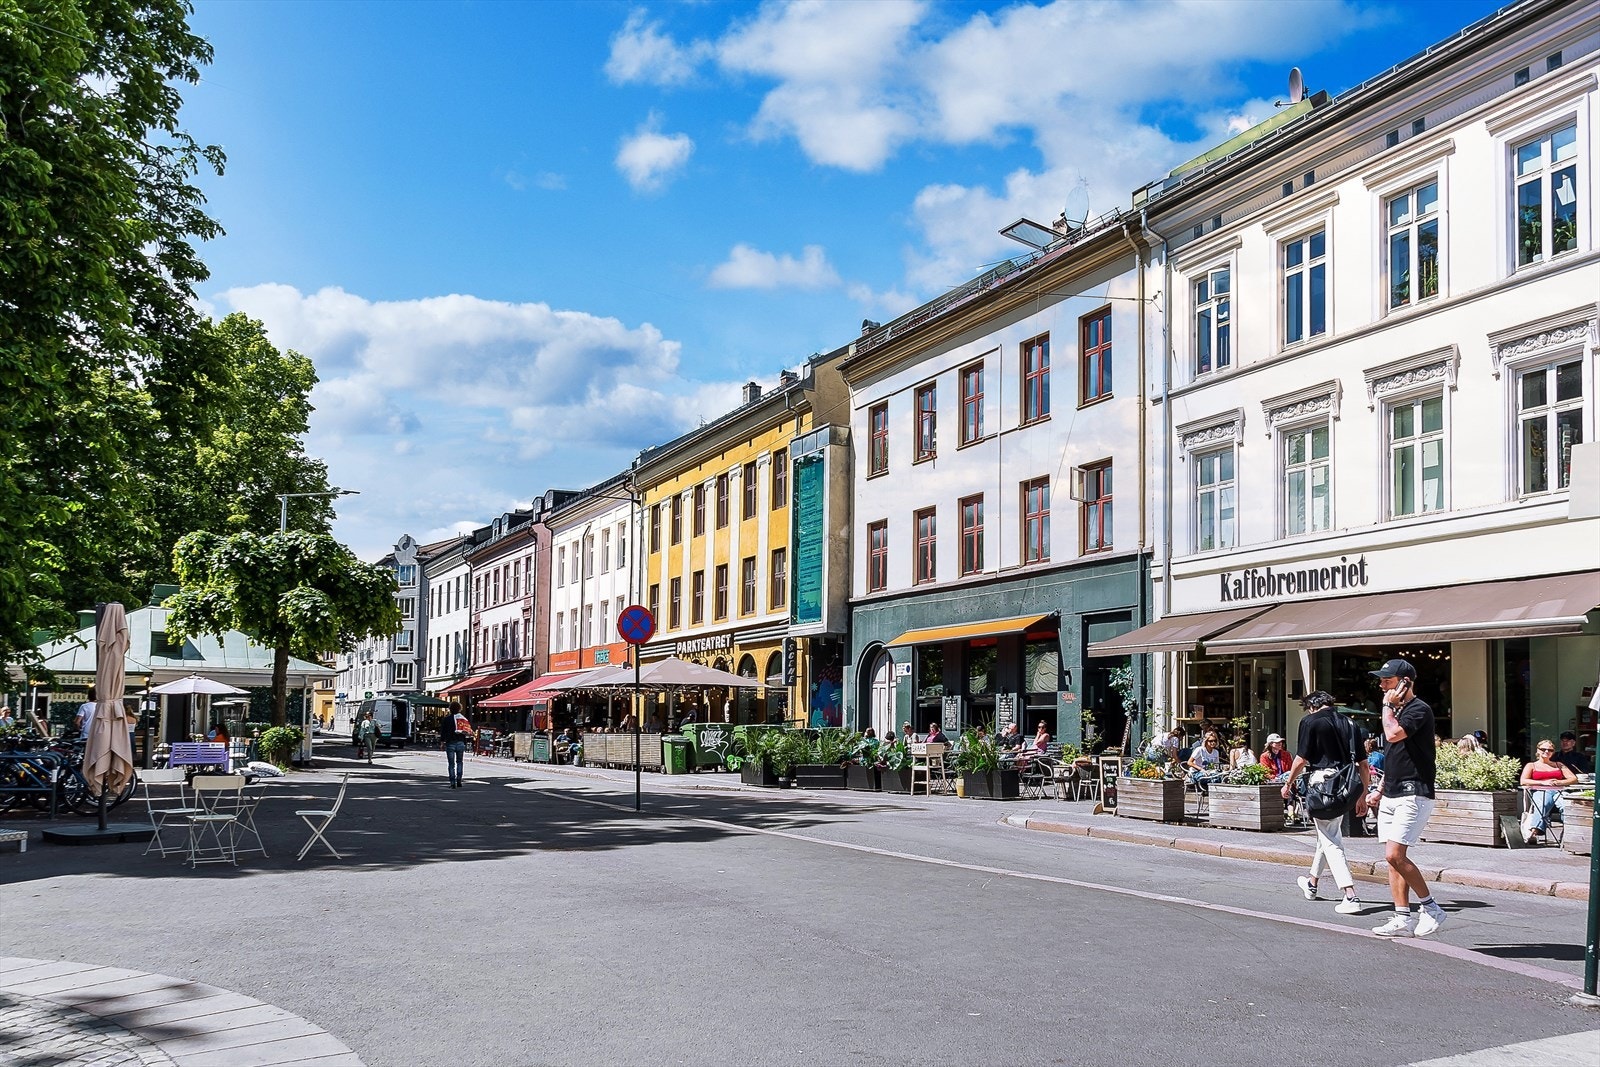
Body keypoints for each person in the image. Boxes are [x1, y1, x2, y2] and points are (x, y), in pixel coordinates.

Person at [1367, 658, 1447, 938]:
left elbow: (1393, 735)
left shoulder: (1417, 709)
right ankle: (1402, 917)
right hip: (1392, 790)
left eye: (1387, 681)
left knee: (1395, 854)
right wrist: (1379, 788)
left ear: (1405, 683)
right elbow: (1394, 757)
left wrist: (1388, 707)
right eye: (1381, 681)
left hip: (1414, 791)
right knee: (1391, 860)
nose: (1381, 686)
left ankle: (1431, 907)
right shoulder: (1396, 710)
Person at [1281, 691, 1370, 915]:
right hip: (1346, 784)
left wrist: (1288, 783)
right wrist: (1363, 795)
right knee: (1327, 834)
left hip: (1323, 783)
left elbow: (1301, 759)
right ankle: (1312, 883)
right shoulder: (1351, 723)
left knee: (1330, 840)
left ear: (1311, 706)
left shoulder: (1310, 721)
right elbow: (1364, 765)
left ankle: (1350, 895)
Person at [1520, 740, 1577, 843]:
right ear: (1538, 750)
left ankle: (1568, 832)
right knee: (1542, 804)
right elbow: (1523, 781)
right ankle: (1534, 832)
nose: (1546, 751)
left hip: (1558, 791)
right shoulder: (1531, 765)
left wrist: (1560, 782)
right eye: (1543, 749)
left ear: (1553, 752)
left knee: (1567, 806)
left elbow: (1573, 778)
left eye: (1550, 750)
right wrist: (1543, 783)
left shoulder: (1558, 765)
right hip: (1540, 790)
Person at [440, 703, 473, 788]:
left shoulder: (446, 719)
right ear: (459, 709)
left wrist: (442, 742)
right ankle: (459, 780)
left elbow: (443, 732)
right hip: (460, 742)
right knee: (460, 762)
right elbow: (467, 730)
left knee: (451, 764)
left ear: (450, 709)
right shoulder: (462, 719)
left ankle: (452, 782)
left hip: (450, 742)